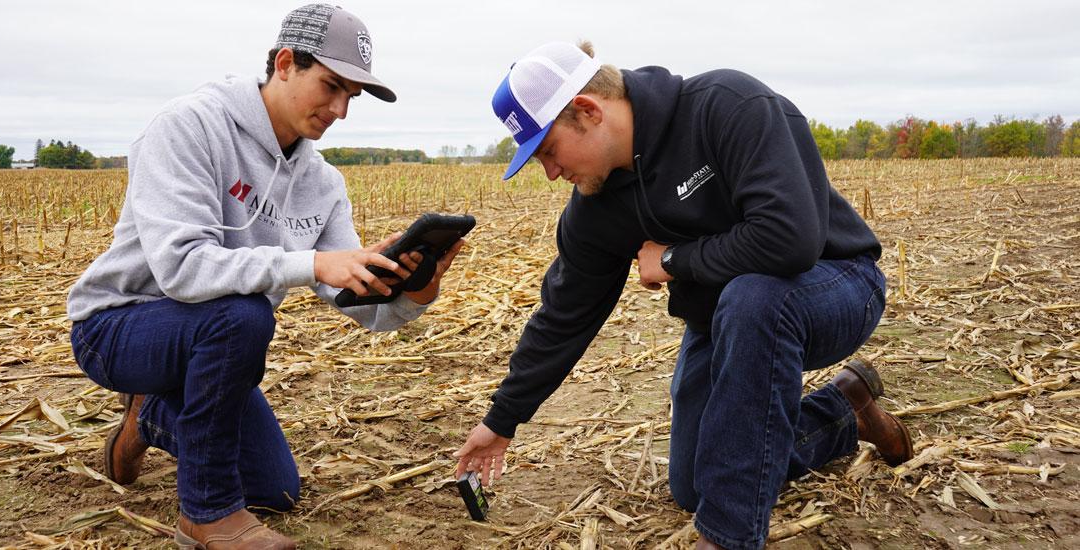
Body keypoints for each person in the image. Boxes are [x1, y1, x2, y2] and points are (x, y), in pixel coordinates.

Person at [453, 42, 913, 550]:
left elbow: (790, 239)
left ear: (587, 110)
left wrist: (674, 259)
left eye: (548, 151)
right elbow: (564, 315)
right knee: (697, 483)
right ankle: (841, 412)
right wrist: (501, 419)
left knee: (755, 297)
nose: (551, 172)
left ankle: (728, 537)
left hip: (837, 285)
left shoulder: (726, 105)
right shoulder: (594, 210)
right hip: (727, 319)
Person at [67, 5, 462, 549]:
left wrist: (412, 286)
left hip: (214, 341)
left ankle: (148, 415)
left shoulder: (322, 184)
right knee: (243, 312)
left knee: (274, 491)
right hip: (120, 326)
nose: (341, 110)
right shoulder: (189, 126)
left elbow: (355, 300)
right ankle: (206, 517)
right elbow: (182, 267)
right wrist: (313, 263)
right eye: (331, 86)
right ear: (283, 63)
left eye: (353, 96)